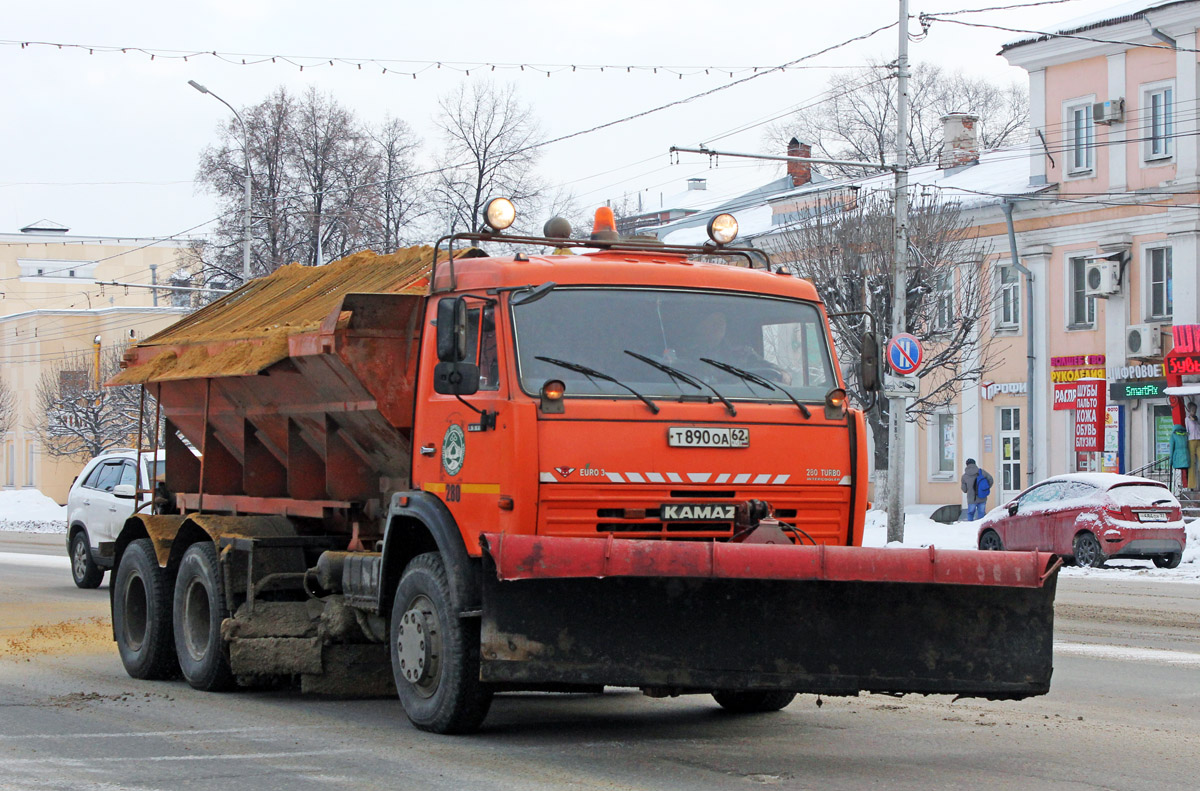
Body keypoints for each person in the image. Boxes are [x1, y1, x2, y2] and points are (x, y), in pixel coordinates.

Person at [1169, 421, 1191, 491]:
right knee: (1186, 473)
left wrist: (1171, 460)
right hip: (1186, 456)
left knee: (1177, 475)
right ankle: (1187, 487)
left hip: (1177, 457)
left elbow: (1171, 448)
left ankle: (1178, 489)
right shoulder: (1185, 435)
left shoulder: (1173, 435)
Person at [1186, 401, 1200, 492]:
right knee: (1192, 463)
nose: (1194, 412)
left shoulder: (1197, 419)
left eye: (1195, 411)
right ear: (1189, 410)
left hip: (1198, 440)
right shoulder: (1186, 419)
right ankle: (1192, 485)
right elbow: (1187, 430)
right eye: (1192, 411)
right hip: (1191, 440)